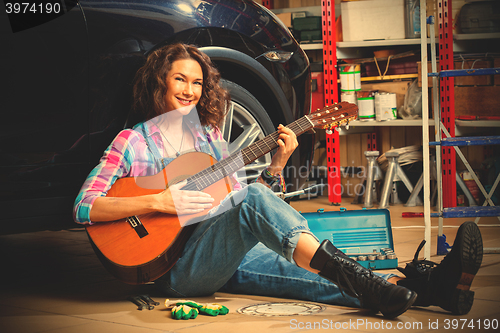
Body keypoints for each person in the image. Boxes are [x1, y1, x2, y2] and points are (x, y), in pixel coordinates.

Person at [74, 43, 483, 318]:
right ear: (159, 80)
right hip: (173, 269)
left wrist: (277, 164)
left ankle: (432, 289)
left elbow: (245, 208)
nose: (190, 90)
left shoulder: (210, 140)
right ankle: (381, 281)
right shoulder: (133, 142)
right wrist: (158, 202)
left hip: (221, 254)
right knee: (259, 203)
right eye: (180, 79)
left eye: (198, 82)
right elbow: (84, 206)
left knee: (313, 279)